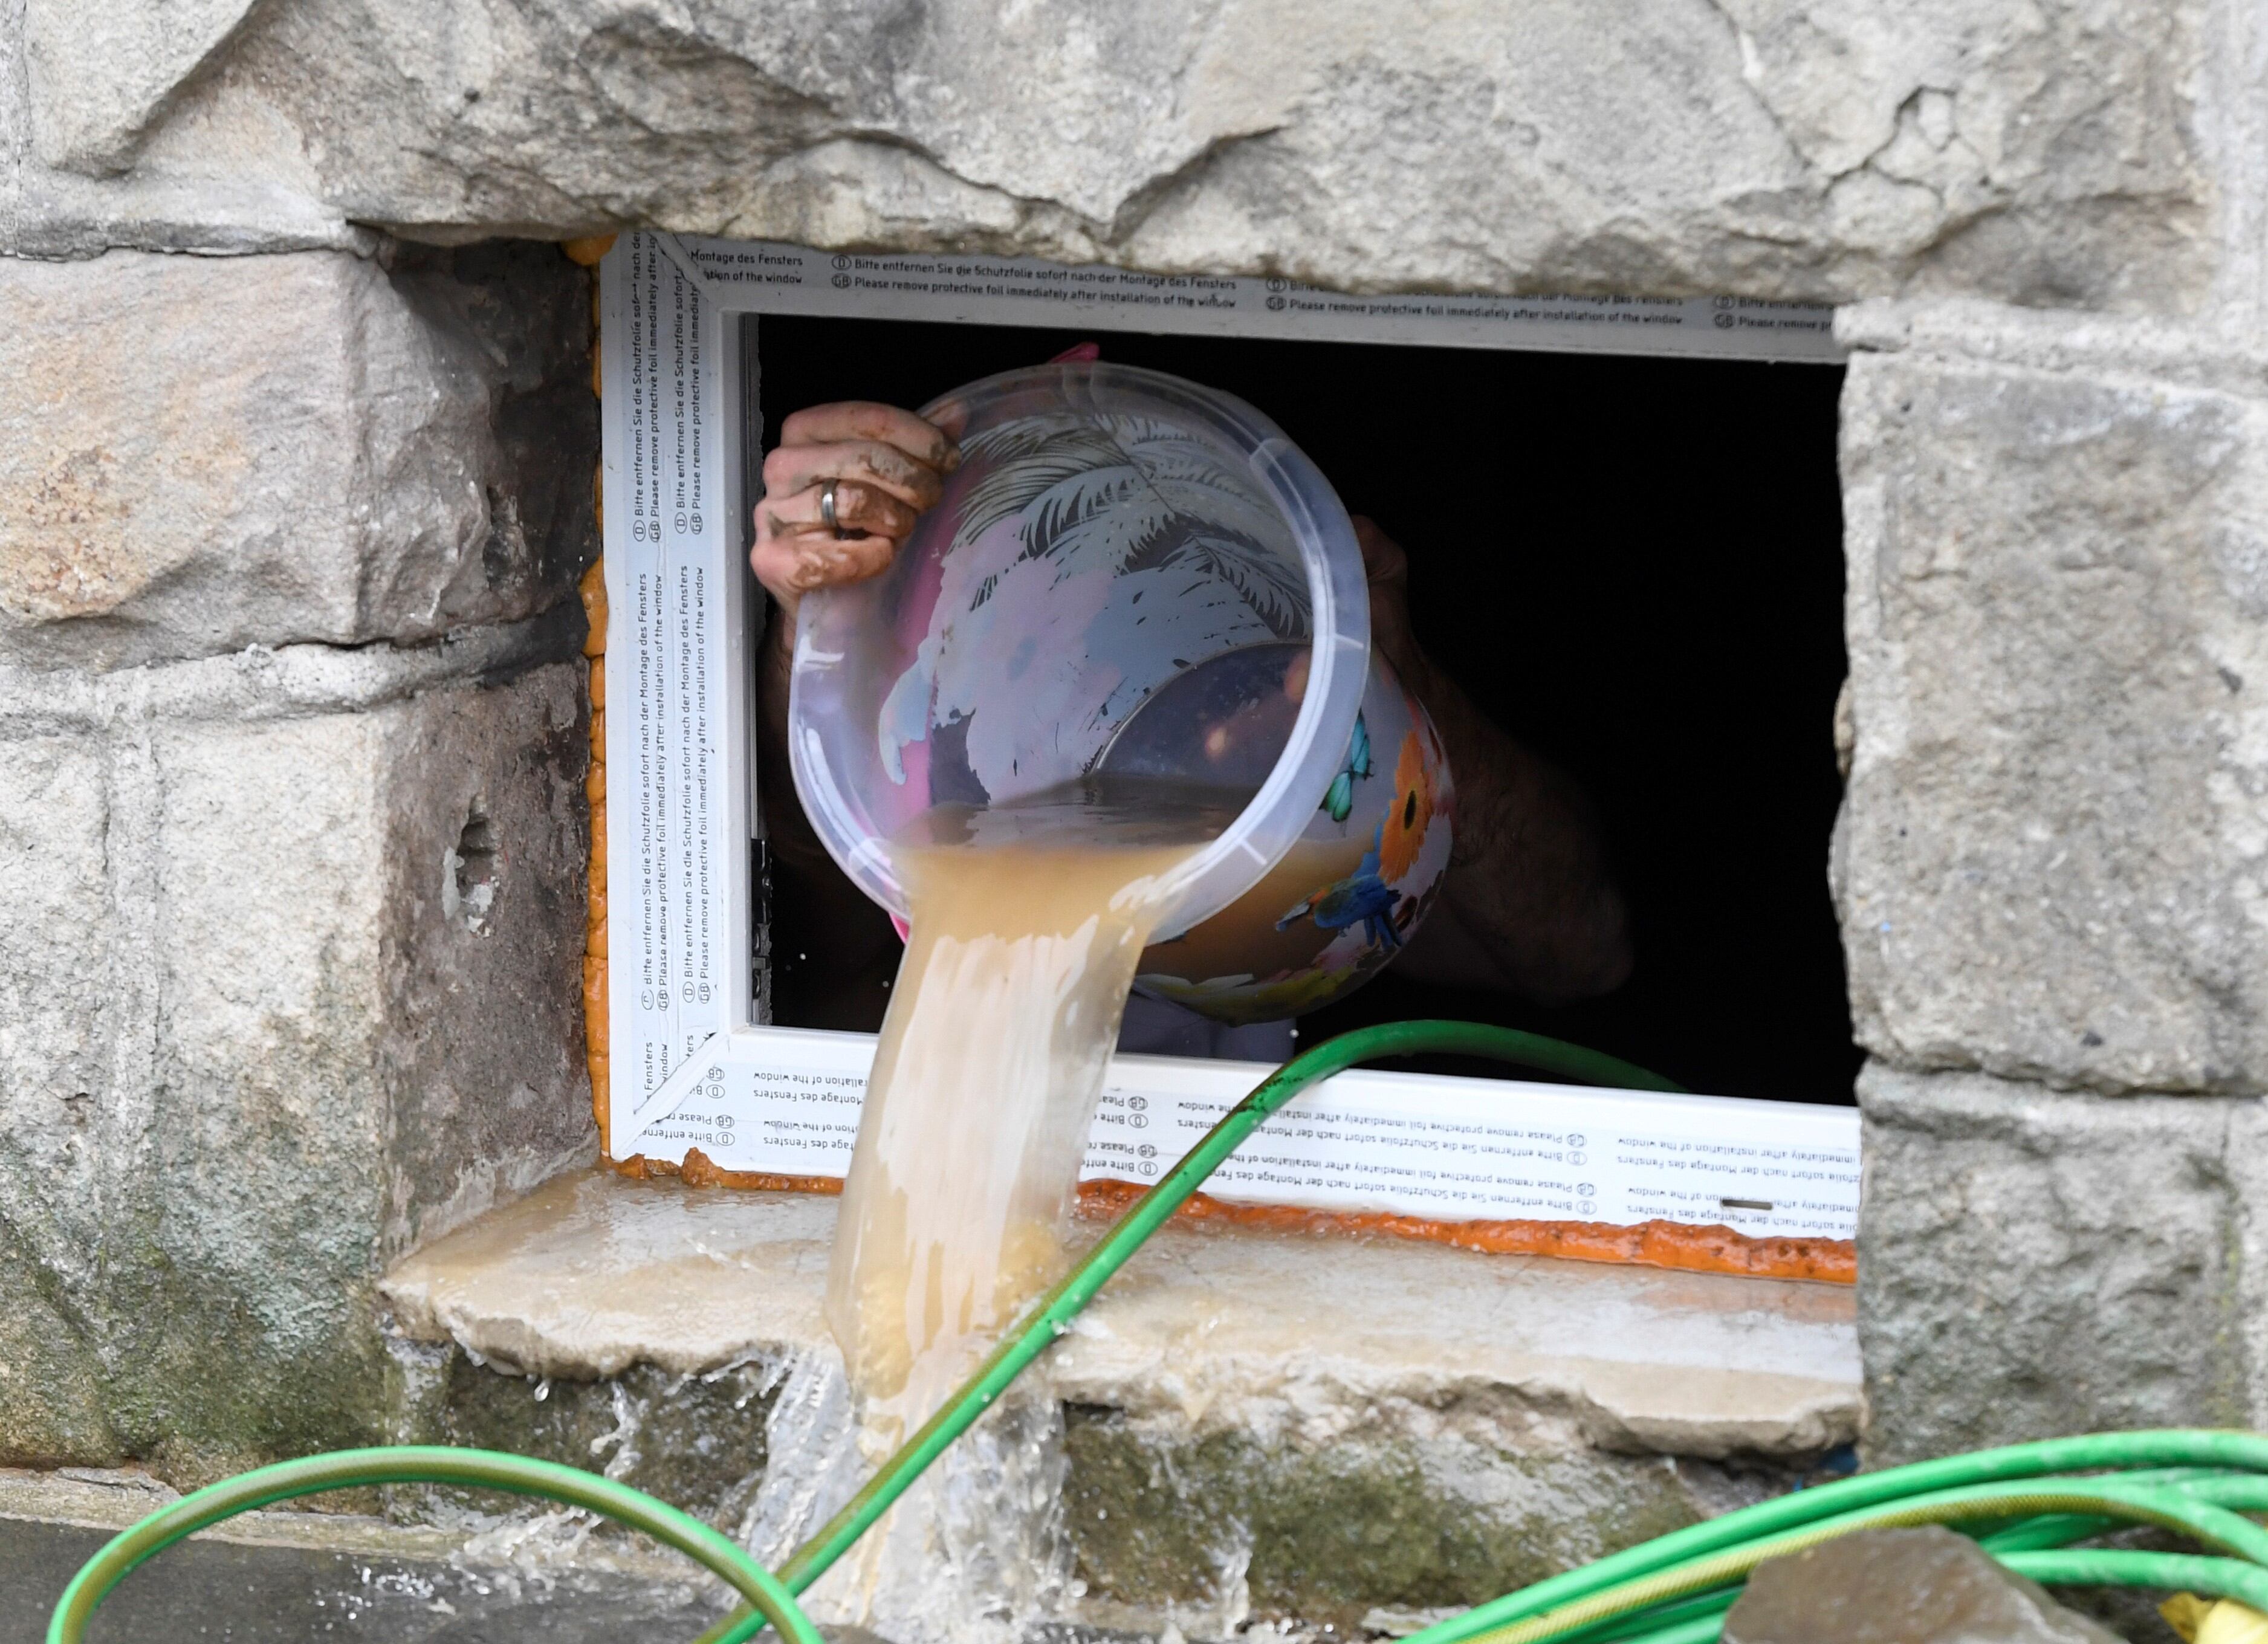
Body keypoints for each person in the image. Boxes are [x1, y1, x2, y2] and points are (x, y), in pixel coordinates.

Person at [751, 399, 1634, 1047]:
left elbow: (1579, 954)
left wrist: (1397, 684)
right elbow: (818, 951)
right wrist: (821, 638)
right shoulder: (930, 759)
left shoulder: (1324, 801)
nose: (1209, 745)